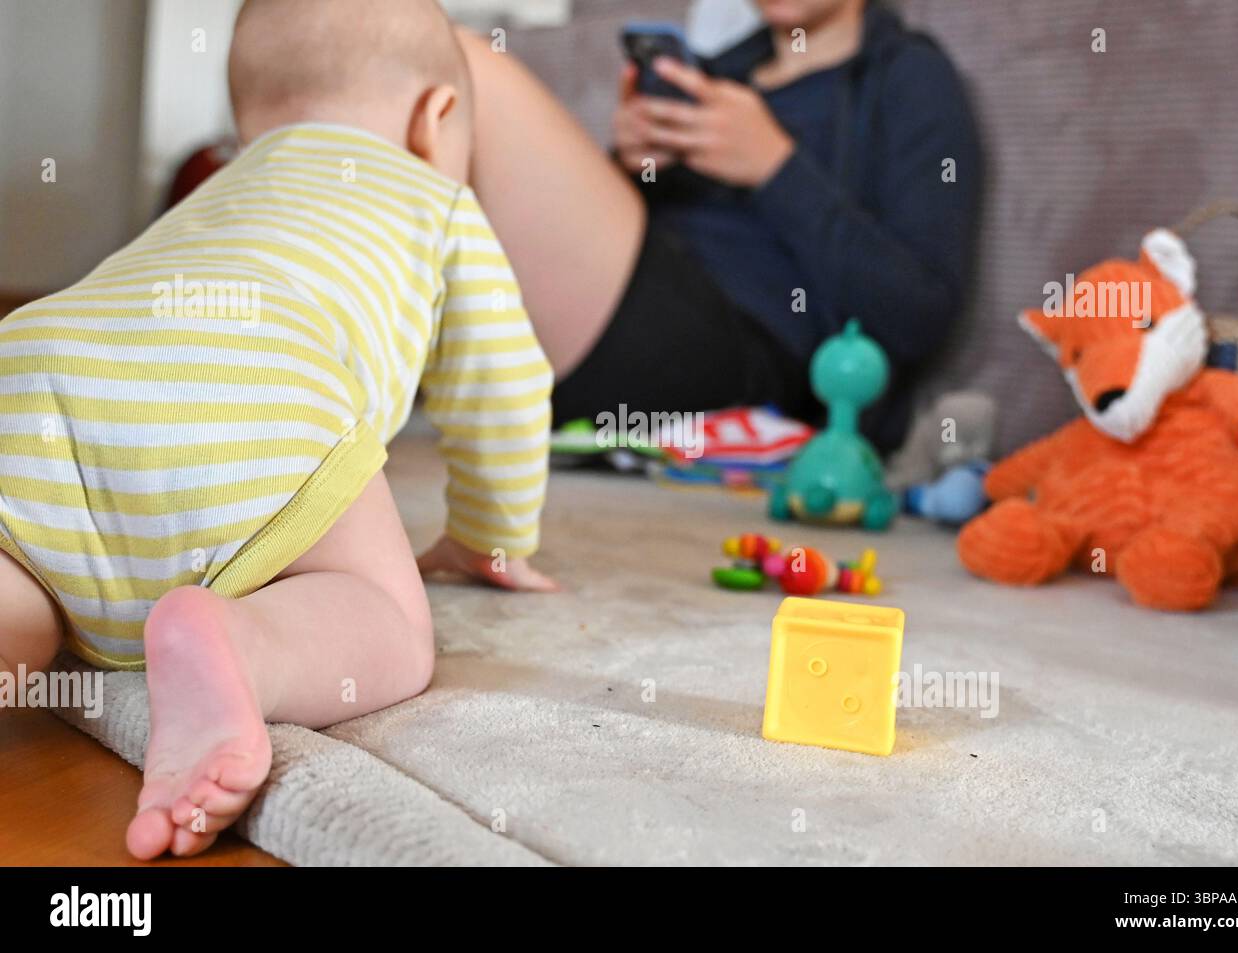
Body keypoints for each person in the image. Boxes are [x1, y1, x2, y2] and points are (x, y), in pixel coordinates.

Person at [0, 0, 553, 860]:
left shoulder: (221, 185)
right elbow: (506, 387)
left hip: (42, 349)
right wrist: (493, 536)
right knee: (388, 622)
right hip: (261, 371)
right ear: (435, 118)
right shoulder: (438, 202)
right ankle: (235, 643)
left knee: (24, 597)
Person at [457, 0, 981, 451]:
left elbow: (920, 309)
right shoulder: (720, 74)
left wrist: (774, 166)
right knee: (427, 74)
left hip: (736, 349)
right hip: (633, 305)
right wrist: (632, 164)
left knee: (463, 62)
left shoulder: (909, 77)